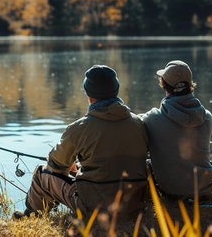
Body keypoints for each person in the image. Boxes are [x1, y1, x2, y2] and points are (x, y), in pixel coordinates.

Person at [14, 65, 148, 220]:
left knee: (41, 174)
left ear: (89, 96)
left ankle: (30, 217)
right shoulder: (139, 123)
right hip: (134, 204)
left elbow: (55, 166)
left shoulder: (79, 128)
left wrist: (69, 164)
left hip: (95, 208)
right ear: (116, 90)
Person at [141, 60, 212, 199]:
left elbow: (134, 123)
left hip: (171, 191)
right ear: (190, 86)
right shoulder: (207, 117)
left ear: (164, 86)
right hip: (204, 188)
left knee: (146, 160)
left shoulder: (152, 119)